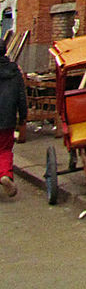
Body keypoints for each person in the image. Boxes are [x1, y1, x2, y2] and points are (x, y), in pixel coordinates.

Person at [0, 37, 27, 198]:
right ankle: (5, 175)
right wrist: (23, 116)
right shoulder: (14, 71)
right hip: (7, 118)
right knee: (4, 150)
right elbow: (21, 96)